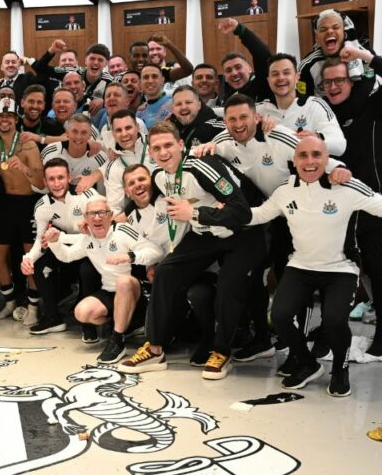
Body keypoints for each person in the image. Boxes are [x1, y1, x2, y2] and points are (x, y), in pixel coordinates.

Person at [228, 136, 382, 396]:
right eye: (303, 155)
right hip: (301, 266)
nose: (310, 161)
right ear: (294, 160)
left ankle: (340, 370)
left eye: (316, 155)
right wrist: (216, 213)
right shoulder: (285, 190)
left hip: (341, 268)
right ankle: (308, 364)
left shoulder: (347, 186)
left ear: (327, 159)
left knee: (334, 320)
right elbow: (259, 214)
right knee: (280, 316)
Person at [117, 121, 265, 380]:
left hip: (243, 234)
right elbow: (146, 195)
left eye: (168, 145)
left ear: (180, 145)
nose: (163, 152)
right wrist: (122, 213)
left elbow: (242, 212)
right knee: (165, 272)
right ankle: (154, 348)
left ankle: (221, 351)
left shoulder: (201, 167)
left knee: (228, 287)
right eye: (157, 148)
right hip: (206, 233)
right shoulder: (159, 176)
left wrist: (194, 213)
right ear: (150, 153)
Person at [45, 195, 163, 363]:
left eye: (102, 212)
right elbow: (67, 256)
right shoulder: (87, 238)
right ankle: (122, 324)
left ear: (110, 215)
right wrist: (54, 242)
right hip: (109, 291)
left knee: (122, 281)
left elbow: (156, 251)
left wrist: (130, 256)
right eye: (92, 214)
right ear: (85, 218)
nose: (97, 217)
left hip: (134, 290)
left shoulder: (122, 230)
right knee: (82, 312)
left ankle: (117, 341)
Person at [321, 56, 382, 355]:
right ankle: (328, 329)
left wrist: (369, 59)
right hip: (335, 210)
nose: (333, 86)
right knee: (336, 273)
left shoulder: (372, 107)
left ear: (352, 81)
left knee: (378, 270)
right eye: (327, 82)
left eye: (339, 80)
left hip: (371, 204)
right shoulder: (322, 114)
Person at [21, 158, 98, 333]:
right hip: (64, 252)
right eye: (51, 179)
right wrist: (28, 258)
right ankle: (53, 318)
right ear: (45, 181)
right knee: (39, 264)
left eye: (61, 177)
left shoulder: (87, 195)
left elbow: (101, 234)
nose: (56, 183)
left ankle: (89, 324)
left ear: (69, 177)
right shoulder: (42, 206)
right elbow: (41, 240)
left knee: (87, 270)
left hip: (90, 250)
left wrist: (62, 238)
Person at [0, 98, 45, 321]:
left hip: (27, 204)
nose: (4, 120)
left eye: (9, 116)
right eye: (0, 116)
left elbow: (40, 182)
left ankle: (33, 308)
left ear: (16, 119)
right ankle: (10, 303)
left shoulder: (27, 144)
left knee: (30, 258)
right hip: (4, 204)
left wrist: (23, 167)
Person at [257, 53, 346, 156]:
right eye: (275, 74)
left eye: (286, 73)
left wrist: (317, 138)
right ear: (268, 81)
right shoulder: (258, 110)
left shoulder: (315, 105)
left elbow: (340, 146)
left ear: (297, 77)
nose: (281, 77)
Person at [297, 10, 377, 97]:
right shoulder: (307, 66)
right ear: (316, 38)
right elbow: (303, 100)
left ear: (344, 33)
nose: (330, 31)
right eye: (323, 29)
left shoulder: (364, 55)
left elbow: (365, 91)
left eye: (335, 27)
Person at [218, 18, 273, 103]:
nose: (234, 73)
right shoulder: (227, 100)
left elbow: (262, 54)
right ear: (225, 77)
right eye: (228, 70)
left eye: (238, 67)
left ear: (249, 69)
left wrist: (240, 29)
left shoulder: (262, 84)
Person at [41, 113, 107, 181]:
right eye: (75, 131)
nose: (79, 137)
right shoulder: (50, 152)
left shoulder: (101, 159)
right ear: (67, 133)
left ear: (90, 136)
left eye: (84, 132)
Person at [136, 64, 173, 129]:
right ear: (140, 82)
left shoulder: (175, 103)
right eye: (146, 77)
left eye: (155, 76)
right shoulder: (139, 113)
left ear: (162, 80)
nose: (150, 81)